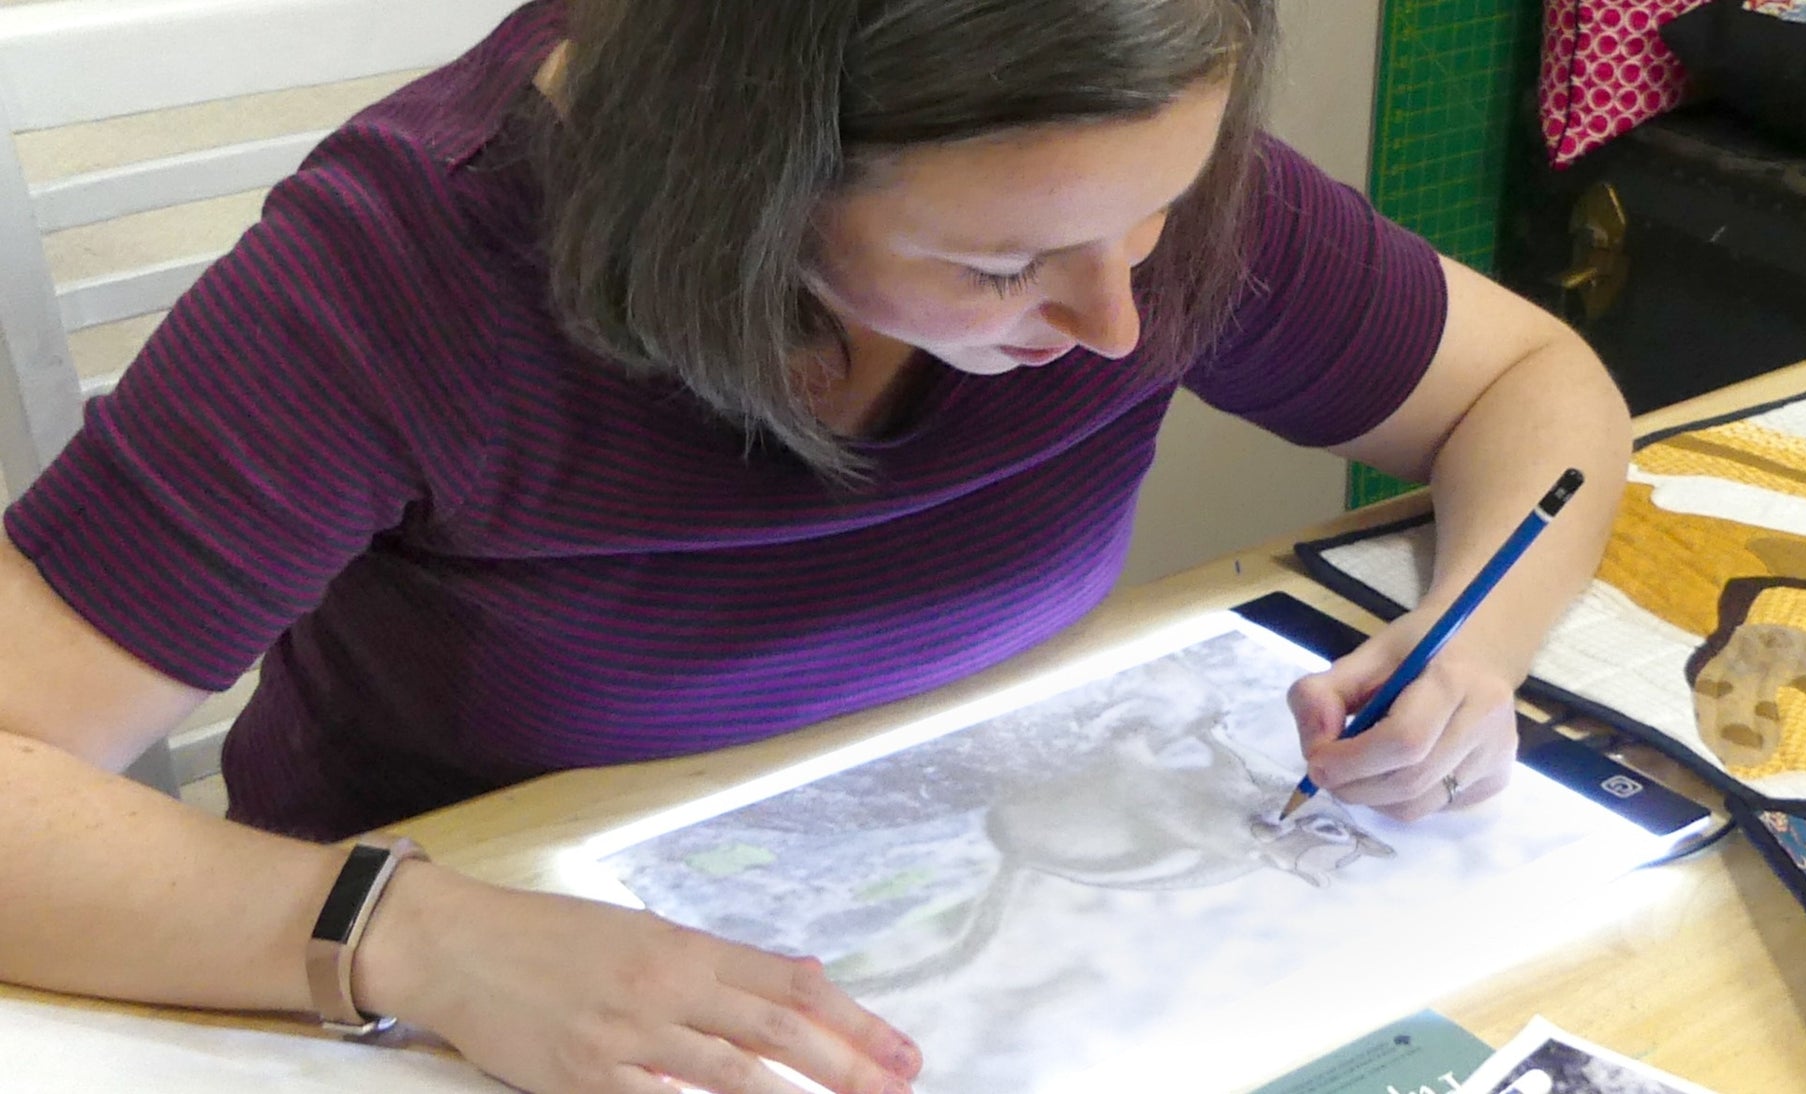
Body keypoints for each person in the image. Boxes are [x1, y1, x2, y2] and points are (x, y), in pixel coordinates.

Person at [0, 1, 1632, 1092]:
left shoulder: (1123, 184)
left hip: (970, 918)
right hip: (465, 997)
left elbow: (1523, 386)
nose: (1121, 317)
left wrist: (1470, 645)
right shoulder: (396, 282)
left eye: (1152, 219)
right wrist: (406, 930)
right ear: (742, 187)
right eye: (1002, 268)